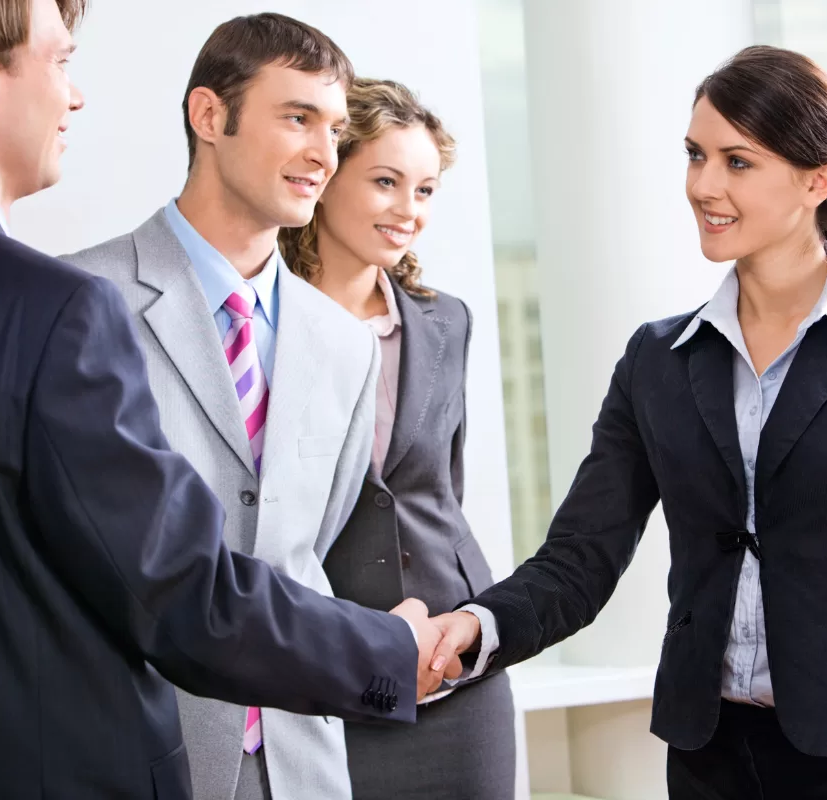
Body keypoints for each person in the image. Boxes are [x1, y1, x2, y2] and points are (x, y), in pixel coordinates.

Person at [0, 2, 455, 798]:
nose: (74, 94)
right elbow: (176, 587)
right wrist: (386, 652)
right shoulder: (64, 306)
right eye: (60, 61)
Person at [430, 45, 827, 800]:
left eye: (738, 161)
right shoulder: (657, 359)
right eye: (695, 154)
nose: (703, 185)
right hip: (706, 760)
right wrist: (479, 626)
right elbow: (581, 556)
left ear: (817, 180)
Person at [64, 14, 405, 800]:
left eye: (334, 129)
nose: (324, 154)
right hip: (144, 752)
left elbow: (308, 548)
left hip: (304, 759)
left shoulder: (345, 344)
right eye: (298, 118)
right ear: (210, 116)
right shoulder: (77, 302)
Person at [278, 78, 515, 799]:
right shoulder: (265, 324)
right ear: (325, 175)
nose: (409, 209)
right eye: (386, 181)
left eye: (425, 189)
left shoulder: (448, 322)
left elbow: (441, 490)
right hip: (327, 671)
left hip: (457, 667)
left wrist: (470, 623)